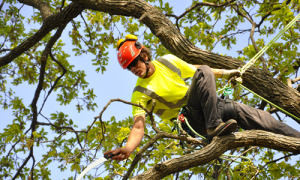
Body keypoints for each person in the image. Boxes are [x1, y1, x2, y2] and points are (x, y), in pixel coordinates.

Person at [104, 34, 300, 161]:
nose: (133, 70)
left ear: (144, 55)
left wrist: (228, 73)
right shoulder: (139, 93)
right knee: (205, 72)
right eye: (129, 68)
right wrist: (129, 148)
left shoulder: (167, 61)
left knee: (264, 119)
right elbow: (138, 126)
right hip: (193, 120)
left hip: (213, 108)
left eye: (133, 63)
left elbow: (198, 71)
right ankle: (214, 126)